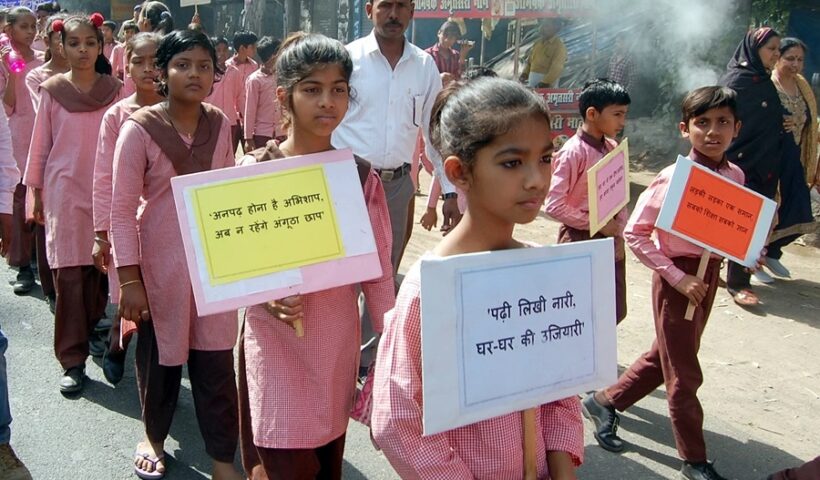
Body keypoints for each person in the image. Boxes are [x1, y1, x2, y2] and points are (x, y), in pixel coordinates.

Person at [372, 77, 582, 479]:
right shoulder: (430, 289)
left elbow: (561, 389)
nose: (537, 179)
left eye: (544, 158)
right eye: (512, 162)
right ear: (459, 172)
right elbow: (397, 420)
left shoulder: (543, 272)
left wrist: (562, 471)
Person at [581, 86, 764, 480]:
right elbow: (636, 233)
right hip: (677, 279)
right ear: (685, 129)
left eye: (723, 123)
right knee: (684, 373)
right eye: (702, 123)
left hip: (707, 277)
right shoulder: (672, 178)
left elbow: (730, 230)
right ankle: (694, 460)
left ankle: (604, 401)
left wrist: (750, 249)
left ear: (737, 128)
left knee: (666, 355)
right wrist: (678, 278)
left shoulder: (735, 175)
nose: (713, 132)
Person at [236, 32, 395, 480]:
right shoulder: (254, 171)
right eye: (312, 89)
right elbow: (232, 266)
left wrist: (394, 342)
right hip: (273, 344)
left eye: (338, 89)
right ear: (284, 97)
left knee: (326, 456)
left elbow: (380, 275)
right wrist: (264, 294)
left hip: (335, 347)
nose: (327, 102)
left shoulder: (360, 178)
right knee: (279, 458)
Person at [110, 29, 241, 480]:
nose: (194, 74)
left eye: (204, 65)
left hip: (214, 264)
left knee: (216, 364)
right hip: (161, 265)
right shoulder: (138, 129)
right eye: (182, 64)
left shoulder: (222, 124)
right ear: (162, 72)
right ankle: (154, 437)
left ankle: (223, 458)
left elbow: (226, 194)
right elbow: (122, 211)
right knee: (161, 360)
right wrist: (129, 280)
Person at [24, 13, 122, 394]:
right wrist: (34, 191)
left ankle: (97, 329)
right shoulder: (50, 89)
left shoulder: (115, 90)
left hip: (106, 190)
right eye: (75, 43)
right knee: (68, 276)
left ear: (101, 47)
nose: (83, 50)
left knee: (100, 273)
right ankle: (72, 359)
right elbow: (40, 145)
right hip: (63, 191)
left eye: (90, 43)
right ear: (60, 46)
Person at [332, 0, 461, 274]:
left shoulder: (424, 66)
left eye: (401, 6)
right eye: (386, 5)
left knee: (385, 277)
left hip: (398, 187)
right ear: (369, 10)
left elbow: (434, 131)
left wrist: (450, 191)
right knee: (343, 277)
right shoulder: (345, 60)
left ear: (412, 11)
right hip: (348, 183)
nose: (394, 14)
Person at [92, 32, 163, 386]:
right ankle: (116, 346)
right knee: (128, 297)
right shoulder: (116, 116)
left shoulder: (182, 111)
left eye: (155, 61)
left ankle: (158, 372)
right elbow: (104, 179)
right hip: (125, 226)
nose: (148, 69)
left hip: (165, 225)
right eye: (139, 61)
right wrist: (101, 234)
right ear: (126, 66)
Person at [545, 79, 630, 325]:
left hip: (610, 238)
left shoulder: (613, 147)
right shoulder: (573, 152)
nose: (622, 122)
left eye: (624, 114)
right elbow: (554, 204)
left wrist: (618, 232)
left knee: (612, 309)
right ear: (592, 114)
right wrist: (597, 224)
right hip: (579, 239)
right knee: (577, 309)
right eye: (617, 114)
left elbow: (620, 194)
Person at [719, 27, 785, 307]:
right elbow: (722, 122)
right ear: (753, 49)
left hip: (764, 163)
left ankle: (731, 274)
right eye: (771, 49)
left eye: (777, 50)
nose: (775, 55)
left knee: (750, 224)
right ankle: (738, 283)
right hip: (741, 164)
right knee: (739, 224)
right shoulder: (738, 82)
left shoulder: (763, 81)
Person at [758, 37, 817, 281]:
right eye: (789, 58)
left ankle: (772, 251)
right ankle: (754, 261)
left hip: (796, 156)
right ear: (777, 58)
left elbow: (811, 120)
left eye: (800, 59)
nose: (795, 64)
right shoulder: (768, 85)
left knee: (798, 206)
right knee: (767, 210)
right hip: (771, 157)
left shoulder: (803, 85)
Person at [0, 84, 32, 480]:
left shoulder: (17, 61)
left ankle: (0, 442)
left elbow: (9, 98)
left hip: (26, 135)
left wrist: (6, 205)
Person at [1, 7, 45, 296]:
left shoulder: (44, 60)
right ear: (10, 30)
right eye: (24, 27)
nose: (30, 32)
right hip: (16, 139)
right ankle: (22, 265)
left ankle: (41, 260)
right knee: (19, 201)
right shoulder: (5, 62)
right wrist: (10, 74)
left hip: (40, 139)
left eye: (33, 26)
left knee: (40, 201)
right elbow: (8, 106)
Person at [242, 35, 282, 151]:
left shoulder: (282, 77)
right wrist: (248, 139)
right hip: (262, 135)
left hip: (282, 133)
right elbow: (250, 111)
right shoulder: (255, 80)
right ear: (273, 56)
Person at [205, 37, 244, 153]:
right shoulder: (207, 72)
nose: (222, 53)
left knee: (228, 153)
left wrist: (243, 120)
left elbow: (239, 98)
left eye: (225, 50)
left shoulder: (234, 72)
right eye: (218, 50)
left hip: (230, 121)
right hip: (209, 121)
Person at [228, 30, 259, 152]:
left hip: (249, 118)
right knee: (230, 151)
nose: (255, 50)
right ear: (242, 48)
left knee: (250, 152)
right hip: (233, 119)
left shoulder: (254, 66)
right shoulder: (228, 67)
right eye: (253, 47)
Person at [520, 17, 567, 88]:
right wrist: (525, 74)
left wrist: (545, 82)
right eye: (543, 25)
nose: (543, 28)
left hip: (547, 85)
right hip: (533, 83)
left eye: (547, 26)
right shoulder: (537, 43)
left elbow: (557, 68)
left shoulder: (559, 46)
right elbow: (530, 62)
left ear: (555, 28)